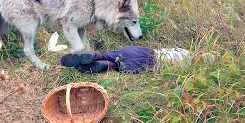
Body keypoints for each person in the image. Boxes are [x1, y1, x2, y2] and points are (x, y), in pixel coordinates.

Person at [60, 46, 190, 74]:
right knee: (117, 67)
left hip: (141, 52)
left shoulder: (185, 51)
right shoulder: (190, 68)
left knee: (106, 54)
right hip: (149, 65)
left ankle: (92, 56)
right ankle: (103, 66)